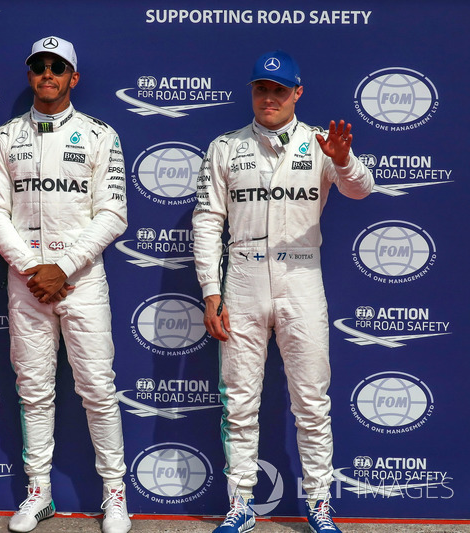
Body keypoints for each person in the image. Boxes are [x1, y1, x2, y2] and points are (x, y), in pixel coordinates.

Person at [192, 50, 374, 533]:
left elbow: (361, 190)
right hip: (244, 280)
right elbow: (208, 221)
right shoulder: (225, 147)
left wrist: (345, 160)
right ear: (252, 92)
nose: (269, 97)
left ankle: (318, 502)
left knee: (312, 400)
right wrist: (211, 290)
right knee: (239, 400)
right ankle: (240, 504)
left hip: (301, 278)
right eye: (260, 89)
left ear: (297, 93)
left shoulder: (321, 144)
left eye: (278, 89)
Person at [0, 36, 131, 533]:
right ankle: (38, 491)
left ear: (73, 77)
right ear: (30, 76)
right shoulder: (3, 139)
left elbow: (113, 214)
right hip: (27, 283)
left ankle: (114, 494)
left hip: (82, 281)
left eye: (57, 67)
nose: (48, 74)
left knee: (98, 390)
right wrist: (32, 268)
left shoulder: (99, 135)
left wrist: (63, 266)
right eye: (39, 67)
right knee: (33, 390)